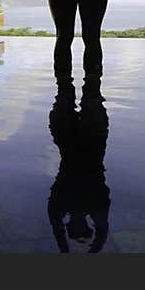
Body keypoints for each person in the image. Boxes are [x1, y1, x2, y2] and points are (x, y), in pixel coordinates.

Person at [47, 77, 111, 253]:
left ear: (68, 226)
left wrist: (65, 249)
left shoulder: (61, 206)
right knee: (91, 97)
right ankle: (82, 80)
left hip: (77, 152)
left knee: (68, 99)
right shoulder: (96, 208)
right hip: (89, 149)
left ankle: (72, 85)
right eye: (81, 228)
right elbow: (102, 231)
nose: (77, 224)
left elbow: (55, 224)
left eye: (74, 228)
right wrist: (93, 250)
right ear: (88, 226)